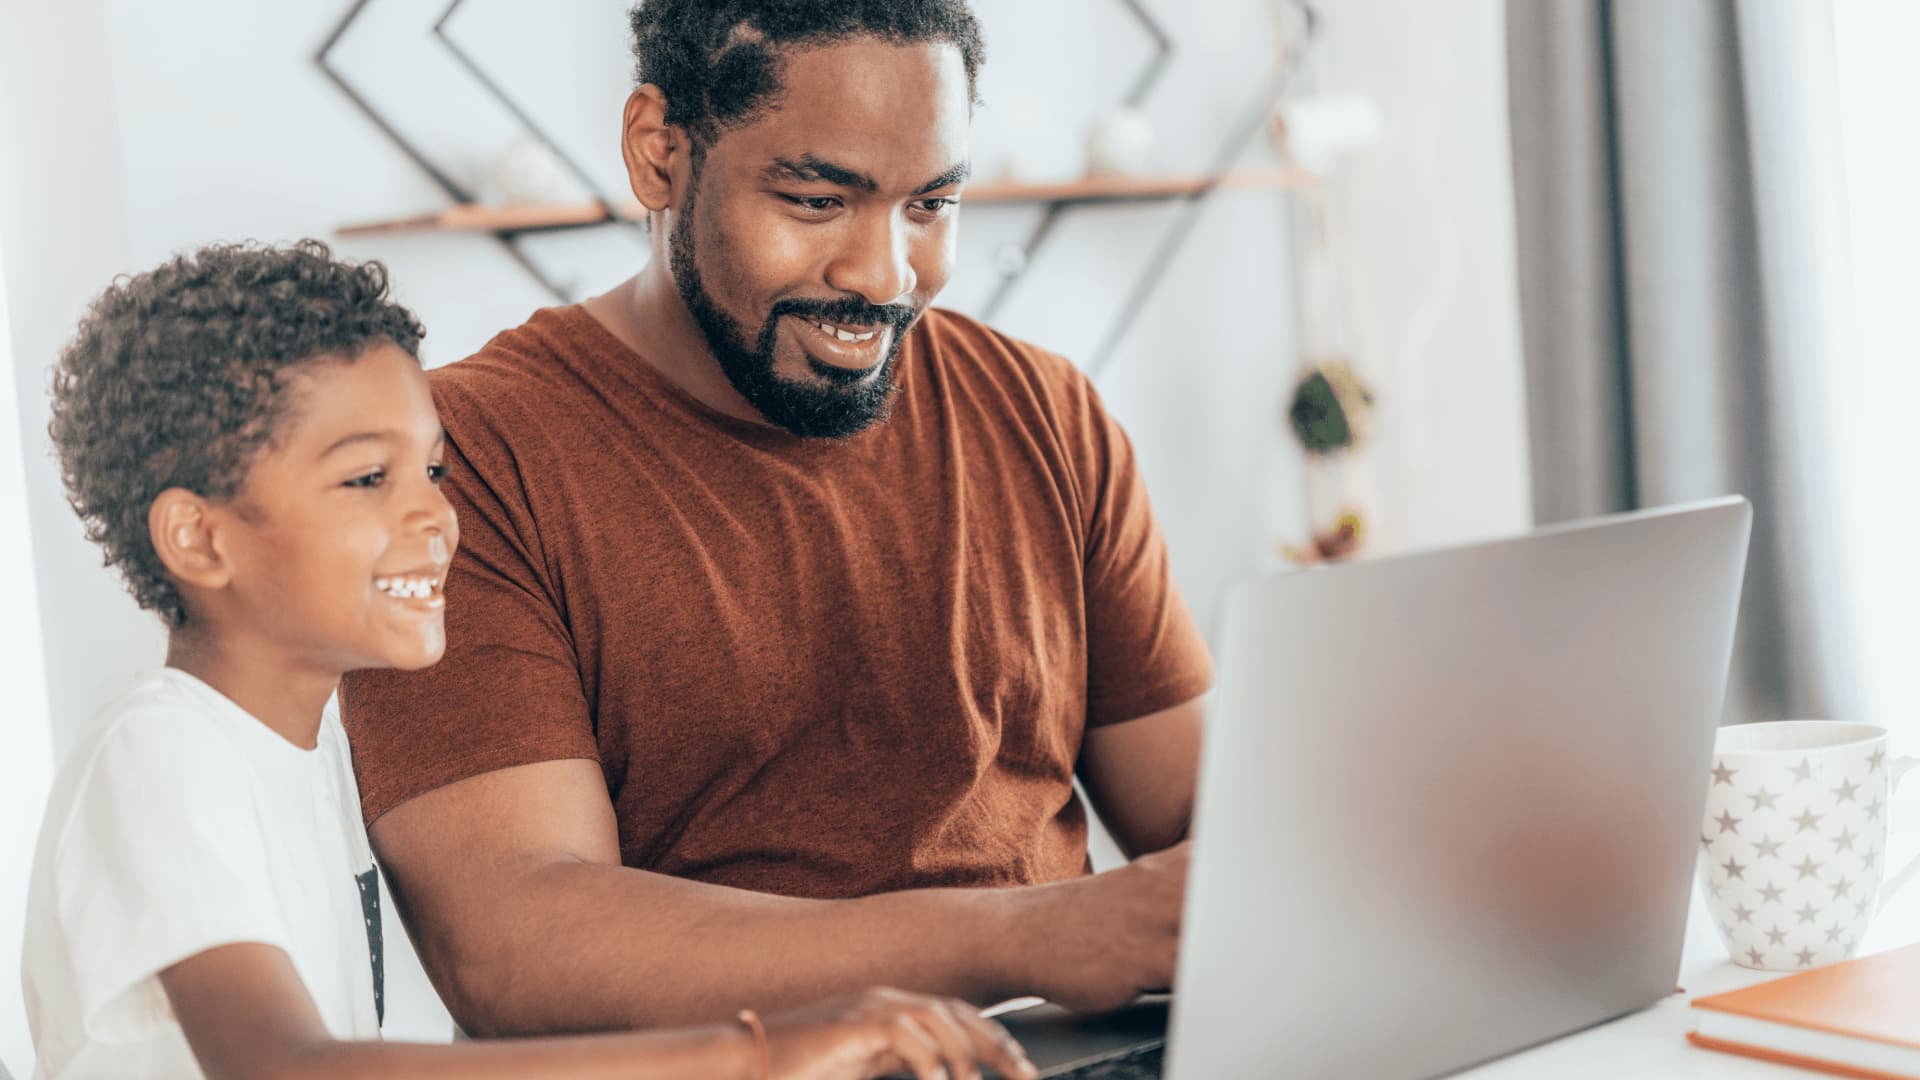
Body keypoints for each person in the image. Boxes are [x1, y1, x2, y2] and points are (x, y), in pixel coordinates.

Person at [337, 0, 1214, 1037]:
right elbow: (513, 941)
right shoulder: (461, 463)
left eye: (930, 206)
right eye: (815, 200)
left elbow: (1210, 832)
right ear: (660, 153)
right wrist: (1021, 938)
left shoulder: (1047, 413)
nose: (884, 275)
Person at [20, 240, 1035, 1080]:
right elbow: (288, 1069)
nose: (433, 514)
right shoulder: (159, 753)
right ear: (199, 540)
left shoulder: (315, 756)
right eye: (367, 478)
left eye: (431, 468)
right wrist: (761, 1051)